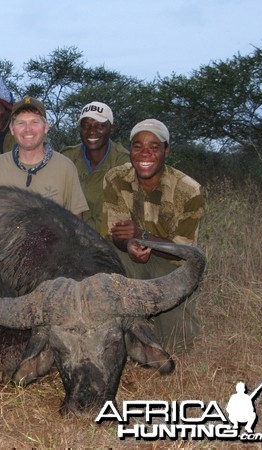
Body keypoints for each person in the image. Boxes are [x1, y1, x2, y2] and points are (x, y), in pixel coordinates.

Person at [101, 119, 205, 352]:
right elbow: (115, 234)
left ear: (166, 151)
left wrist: (140, 235)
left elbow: (185, 253)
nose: (145, 153)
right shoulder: (115, 178)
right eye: (137, 146)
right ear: (130, 150)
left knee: (180, 345)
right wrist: (128, 244)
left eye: (154, 147)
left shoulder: (189, 189)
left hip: (171, 265)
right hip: (128, 257)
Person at [0, 97, 88, 219]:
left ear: (46, 127)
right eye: (21, 123)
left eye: (34, 122)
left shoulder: (65, 167)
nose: (28, 129)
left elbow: (76, 221)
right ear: (12, 129)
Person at [60, 101, 130, 232]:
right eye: (86, 126)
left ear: (112, 128)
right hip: (69, 235)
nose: (92, 132)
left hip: (108, 239)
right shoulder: (67, 157)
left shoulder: (123, 162)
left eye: (100, 126)